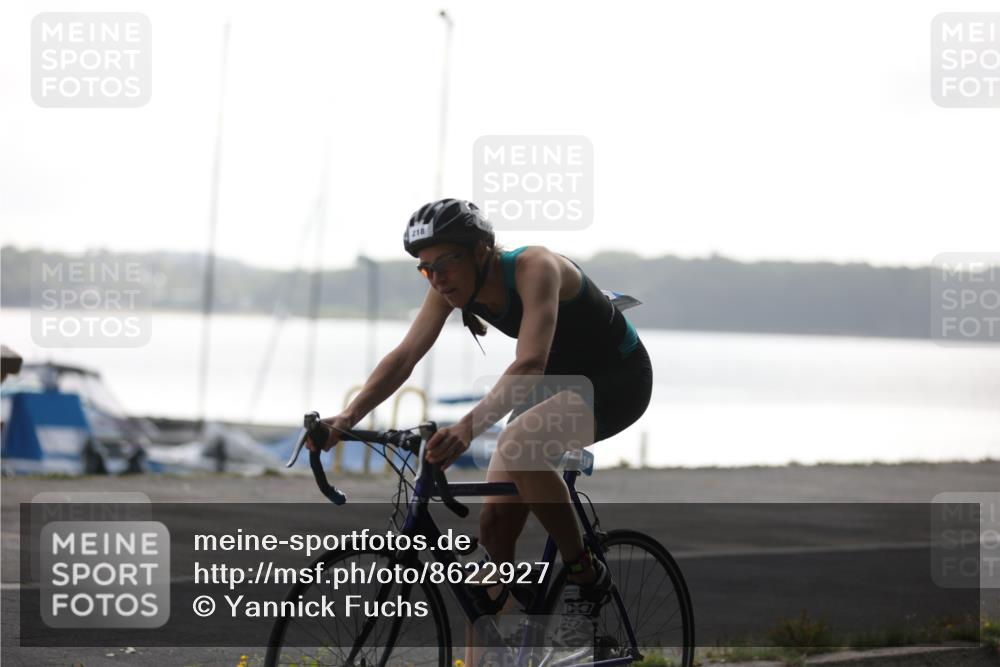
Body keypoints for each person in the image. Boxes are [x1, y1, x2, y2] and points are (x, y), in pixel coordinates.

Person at [308, 198, 653, 648]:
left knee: (519, 446)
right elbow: (405, 357)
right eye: (426, 269)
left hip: (617, 377)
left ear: (481, 251)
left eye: (445, 263)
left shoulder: (535, 267)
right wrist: (347, 419)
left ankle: (586, 573)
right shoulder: (447, 286)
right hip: (554, 382)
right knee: (492, 528)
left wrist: (466, 427)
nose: (437, 278)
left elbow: (529, 363)